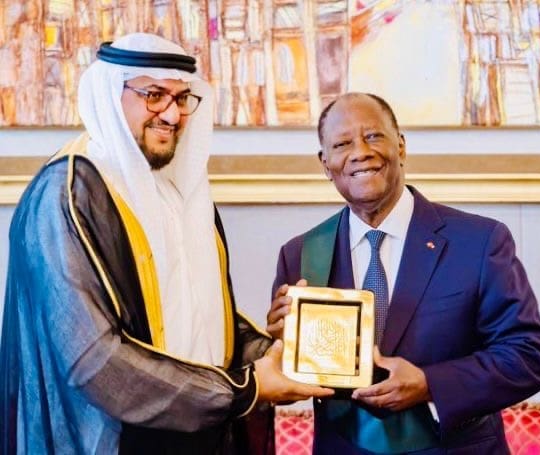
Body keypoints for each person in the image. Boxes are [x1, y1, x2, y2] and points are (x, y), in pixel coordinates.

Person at [0, 33, 333, 454]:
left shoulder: (178, 192)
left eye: (182, 98)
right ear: (111, 94)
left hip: (200, 431)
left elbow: (206, 320)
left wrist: (285, 355)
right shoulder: (68, 192)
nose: (172, 115)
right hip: (113, 440)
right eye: (154, 95)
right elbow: (93, 359)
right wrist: (244, 389)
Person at [267, 92, 540, 454]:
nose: (360, 152)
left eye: (373, 136)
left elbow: (529, 357)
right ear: (325, 164)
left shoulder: (479, 241)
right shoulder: (301, 254)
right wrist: (281, 346)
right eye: (342, 144)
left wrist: (429, 384)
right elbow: (291, 383)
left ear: (400, 146)